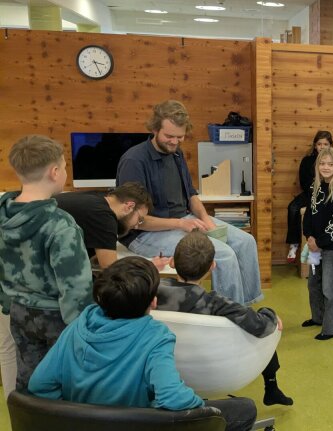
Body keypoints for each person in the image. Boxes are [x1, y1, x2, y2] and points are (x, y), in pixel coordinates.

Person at [28, 257, 257, 431]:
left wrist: (75, 417)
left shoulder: (78, 326)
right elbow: (172, 398)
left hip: (81, 424)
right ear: (153, 302)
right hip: (136, 425)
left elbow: (39, 384)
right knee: (244, 408)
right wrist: (200, 404)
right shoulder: (155, 336)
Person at [116, 100, 262, 304]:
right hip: (145, 234)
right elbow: (133, 220)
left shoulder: (176, 153)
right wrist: (180, 224)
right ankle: (229, 314)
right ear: (155, 129)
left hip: (183, 220)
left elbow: (192, 196)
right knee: (224, 255)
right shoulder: (134, 161)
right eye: (169, 136)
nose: (174, 142)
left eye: (180, 137)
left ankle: (244, 309)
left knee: (246, 242)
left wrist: (206, 220)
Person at [156, 231, 293, 407]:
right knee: (260, 326)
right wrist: (270, 313)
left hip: (166, 369)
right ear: (212, 266)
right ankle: (271, 387)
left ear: (172, 262)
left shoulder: (151, 292)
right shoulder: (217, 304)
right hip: (214, 371)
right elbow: (261, 325)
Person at [0, 135, 92, 390]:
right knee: (65, 385)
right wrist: (82, 332)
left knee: (28, 381)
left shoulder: (2, 214)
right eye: (64, 167)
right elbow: (76, 288)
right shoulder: (60, 225)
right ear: (54, 172)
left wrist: (7, 303)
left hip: (17, 312)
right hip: (56, 318)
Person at [285, 130, 333, 262]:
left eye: (325, 144)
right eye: (319, 144)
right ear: (315, 145)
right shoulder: (307, 160)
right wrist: (316, 190)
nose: (322, 146)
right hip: (311, 192)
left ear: (330, 145)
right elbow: (304, 182)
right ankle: (294, 244)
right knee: (292, 208)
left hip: (331, 190)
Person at [54, 181, 168, 270]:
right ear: (129, 206)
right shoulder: (104, 217)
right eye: (140, 219)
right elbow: (111, 270)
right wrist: (150, 266)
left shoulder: (97, 199)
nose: (137, 225)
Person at [301, 147, 333, 340]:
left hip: (331, 248)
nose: (326, 167)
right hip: (315, 246)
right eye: (322, 163)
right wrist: (309, 236)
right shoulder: (315, 187)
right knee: (314, 284)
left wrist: (320, 242)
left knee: (330, 288)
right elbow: (309, 214)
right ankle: (318, 317)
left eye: (330, 164)